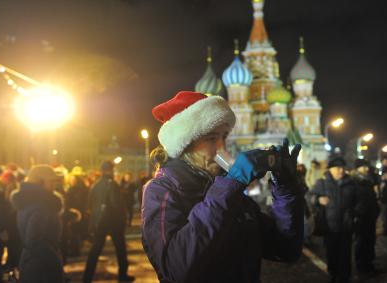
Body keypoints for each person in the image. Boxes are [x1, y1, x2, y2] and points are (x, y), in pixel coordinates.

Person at [142, 91, 304, 282]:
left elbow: (286, 249)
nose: (222, 147)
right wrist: (231, 184)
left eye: (224, 137)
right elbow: (176, 270)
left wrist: (286, 188)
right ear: (185, 145)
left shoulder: (227, 191)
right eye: (211, 138)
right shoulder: (162, 190)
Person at [11, 165, 65, 283]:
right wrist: (53, 258)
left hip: (33, 264)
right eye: (50, 182)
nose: (54, 185)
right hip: (41, 268)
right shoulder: (41, 206)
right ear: (39, 182)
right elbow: (34, 241)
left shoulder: (30, 202)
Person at [310, 156, 359, 283]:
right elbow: (308, 196)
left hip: (346, 225)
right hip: (329, 226)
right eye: (338, 168)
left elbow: (359, 201)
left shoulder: (351, 183)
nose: (341, 170)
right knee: (331, 253)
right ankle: (333, 273)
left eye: (343, 168)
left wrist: (354, 213)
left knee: (345, 253)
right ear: (330, 169)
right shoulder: (322, 182)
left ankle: (345, 276)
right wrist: (317, 199)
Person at [83, 161, 134, 283]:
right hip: (113, 223)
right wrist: (123, 219)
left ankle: (87, 277)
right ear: (110, 170)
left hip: (99, 223)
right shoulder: (112, 185)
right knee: (120, 250)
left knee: (95, 251)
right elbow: (117, 205)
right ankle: (122, 276)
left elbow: (89, 205)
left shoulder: (95, 185)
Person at [351, 159, 380, 273]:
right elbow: (352, 199)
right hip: (360, 216)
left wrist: (376, 210)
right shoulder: (354, 181)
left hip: (370, 215)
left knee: (370, 240)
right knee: (361, 241)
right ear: (358, 168)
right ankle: (361, 265)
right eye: (364, 167)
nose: (367, 169)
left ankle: (369, 263)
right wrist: (356, 213)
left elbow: (372, 198)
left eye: (367, 166)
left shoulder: (368, 180)